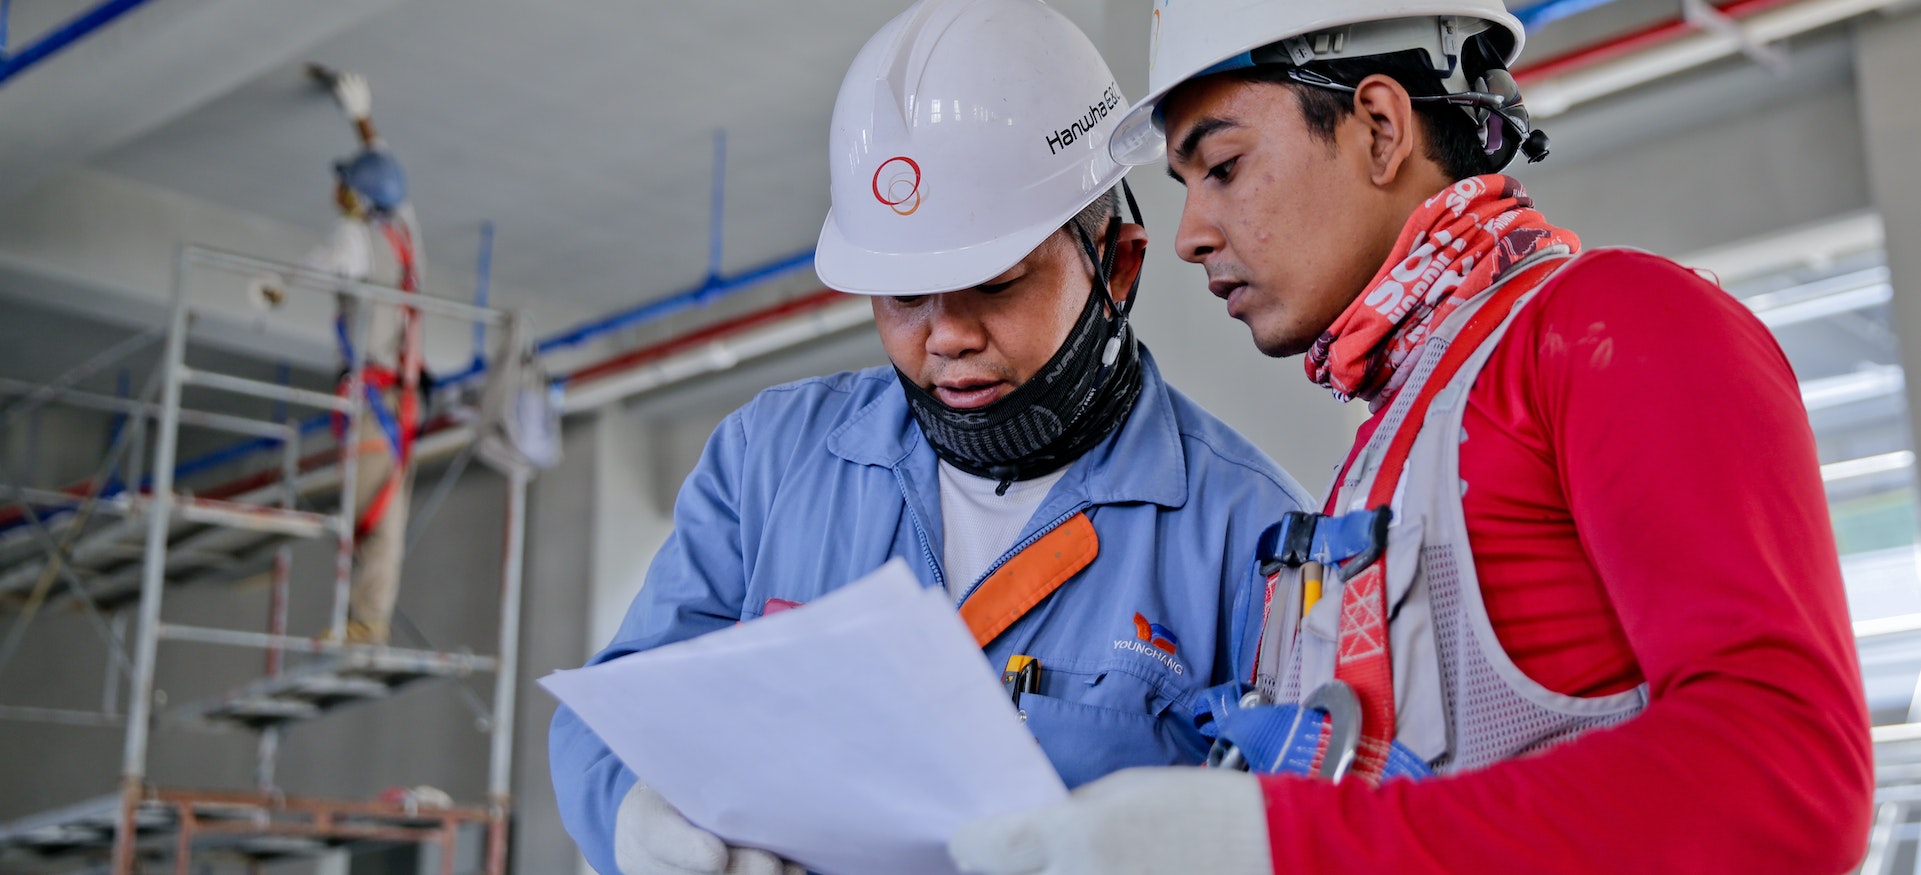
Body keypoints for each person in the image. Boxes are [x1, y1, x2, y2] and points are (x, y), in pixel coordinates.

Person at [947, 1, 1874, 873]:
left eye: (1221, 167)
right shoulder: (1392, 443)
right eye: (1183, 187)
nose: (1190, 234)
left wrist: (1284, 842)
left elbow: (1788, 774)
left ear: (1381, 128)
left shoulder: (1614, 325)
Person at [547, 1, 1312, 873]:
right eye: (904, 295)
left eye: (993, 283)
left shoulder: (1251, 539)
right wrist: (630, 815)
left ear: (1118, 264)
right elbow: (615, 710)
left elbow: (1302, 830)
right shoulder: (766, 463)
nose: (944, 336)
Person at [302, 66, 426, 646]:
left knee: (368, 518)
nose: (338, 190)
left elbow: (315, 265)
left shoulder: (355, 241)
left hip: (373, 400)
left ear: (355, 196)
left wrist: (273, 288)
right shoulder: (402, 234)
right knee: (380, 513)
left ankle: (363, 625)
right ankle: (365, 621)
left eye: (345, 184)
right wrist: (362, 120)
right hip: (396, 397)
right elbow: (389, 178)